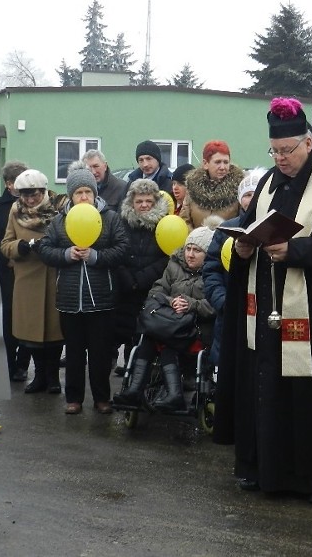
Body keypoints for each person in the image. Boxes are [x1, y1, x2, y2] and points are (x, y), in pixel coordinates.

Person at [213, 97, 312, 505]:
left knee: (306, 398)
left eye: (288, 150)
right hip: (265, 309)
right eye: (275, 151)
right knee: (265, 390)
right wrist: (244, 248)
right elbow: (249, 227)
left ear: (309, 142)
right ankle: (260, 467)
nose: (281, 159)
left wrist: (298, 252)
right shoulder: (267, 182)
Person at [37, 168, 127, 415]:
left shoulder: (110, 218)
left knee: (100, 354)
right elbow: (44, 249)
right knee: (74, 354)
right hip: (68, 300)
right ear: (71, 195)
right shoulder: (59, 221)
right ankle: (73, 398)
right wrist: (66, 254)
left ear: (95, 192)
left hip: (102, 300)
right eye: (79, 192)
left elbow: (122, 249)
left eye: (88, 191)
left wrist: (97, 256)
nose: (84, 196)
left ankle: (102, 399)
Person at [113, 219, 219, 412]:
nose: (190, 254)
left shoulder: (213, 273)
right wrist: (170, 301)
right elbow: (156, 291)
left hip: (195, 329)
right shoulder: (174, 266)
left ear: (208, 253)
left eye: (197, 250)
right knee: (147, 340)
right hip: (170, 324)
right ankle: (135, 391)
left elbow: (215, 305)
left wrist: (191, 305)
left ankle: (175, 396)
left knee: (168, 343)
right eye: (188, 249)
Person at [0, 169, 64, 395]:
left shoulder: (60, 208)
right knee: (31, 333)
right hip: (27, 278)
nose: (28, 200)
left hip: (54, 275)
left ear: (44, 190)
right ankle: (39, 376)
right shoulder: (15, 210)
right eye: (24, 195)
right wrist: (21, 247)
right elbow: (6, 243)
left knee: (55, 332)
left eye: (33, 194)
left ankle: (53, 377)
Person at [203, 168, 267, 365]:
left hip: (263, 312)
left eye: (257, 194)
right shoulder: (227, 229)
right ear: (240, 199)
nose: (252, 199)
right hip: (230, 312)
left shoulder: (274, 228)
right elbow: (211, 270)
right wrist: (223, 301)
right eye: (247, 195)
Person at [112, 179, 170, 376]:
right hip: (126, 288)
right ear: (132, 202)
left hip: (151, 289)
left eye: (148, 201)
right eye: (139, 201)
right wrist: (127, 277)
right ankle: (129, 374)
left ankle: (143, 378)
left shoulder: (164, 223)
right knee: (127, 332)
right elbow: (116, 251)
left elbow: (167, 257)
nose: (144, 205)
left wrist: (143, 278)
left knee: (146, 335)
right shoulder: (121, 222)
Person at [0, 160, 30, 382]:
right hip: (6, 272)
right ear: (9, 184)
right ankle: (8, 364)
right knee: (8, 318)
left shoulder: (34, 204)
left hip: (29, 270)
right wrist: (7, 258)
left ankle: (23, 364)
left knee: (27, 317)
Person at [179, 140, 245, 230]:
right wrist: (196, 239)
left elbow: (244, 221)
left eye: (226, 162)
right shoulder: (192, 189)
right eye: (217, 162)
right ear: (206, 164)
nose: (222, 167)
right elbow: (184, 222)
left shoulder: (240, 188)